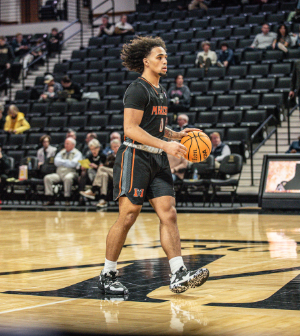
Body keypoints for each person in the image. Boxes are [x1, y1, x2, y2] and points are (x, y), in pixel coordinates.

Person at [96, 35, 209, 296]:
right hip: (135, 157)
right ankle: (107, 273)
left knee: (168, 213)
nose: (165, 60)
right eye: (160, 57)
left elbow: (156, 127)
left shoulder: (160, 90)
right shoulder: (137, 89)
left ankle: (179, 273)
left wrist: (175, 136)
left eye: (166, 57)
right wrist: (165, 145)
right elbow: (130, 129)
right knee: (128, 216)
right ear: (146, 61)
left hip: (157, 158)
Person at [80, 138, 120, 208]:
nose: (116, 148)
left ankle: (93, 190)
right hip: (112, 174)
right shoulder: (110, 156)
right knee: (103, 174)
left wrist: (99, 166)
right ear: (111, 148)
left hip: (123, 174)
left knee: (101, 168)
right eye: (114, 147)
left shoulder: (125, 154)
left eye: (117, 146)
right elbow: (107, 166)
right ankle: (103, 199)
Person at [43, 137, 82, 206]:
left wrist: (62, 162)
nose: (65, 145)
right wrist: (67, 162)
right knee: (47, 178)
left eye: (67, 144)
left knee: (68, 178)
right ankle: (50, 198)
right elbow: (56, 162)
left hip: (71, 173)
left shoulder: (77, 153)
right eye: (65, 143)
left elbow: (73, 163)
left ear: (73, 145)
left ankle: (67, 199)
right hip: (59, 174)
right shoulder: (61, 152)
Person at [78, 138, 104, 205]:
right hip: (90, 176)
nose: (93, 151)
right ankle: (81, 196)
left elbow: (104, 168)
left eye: (95, 149)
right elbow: (85, 164)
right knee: (83, 174)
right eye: (91, 149)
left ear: (98, 148)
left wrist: (96, 166)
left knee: (92, 171)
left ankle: (93, 191)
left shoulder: (103, 155)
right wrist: (83, 167)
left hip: (100, 175)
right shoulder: (89, 155)